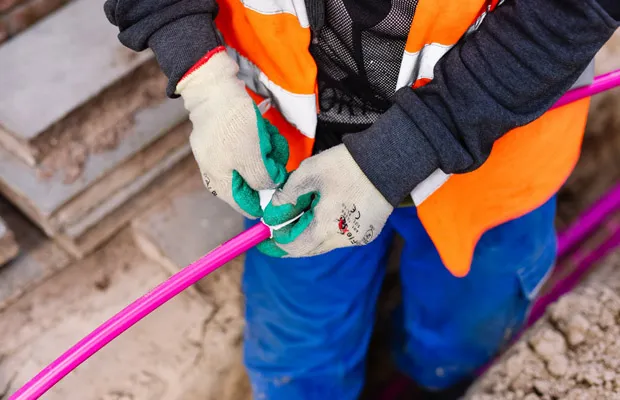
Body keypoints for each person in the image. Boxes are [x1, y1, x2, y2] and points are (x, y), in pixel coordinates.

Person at [104, 0, 619, 398]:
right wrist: (204, 80)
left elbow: (568, 14)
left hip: (489, 166)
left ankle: (432, 381)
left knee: (462, 341)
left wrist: (395, 157)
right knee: (298, 356)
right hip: (299, 153)